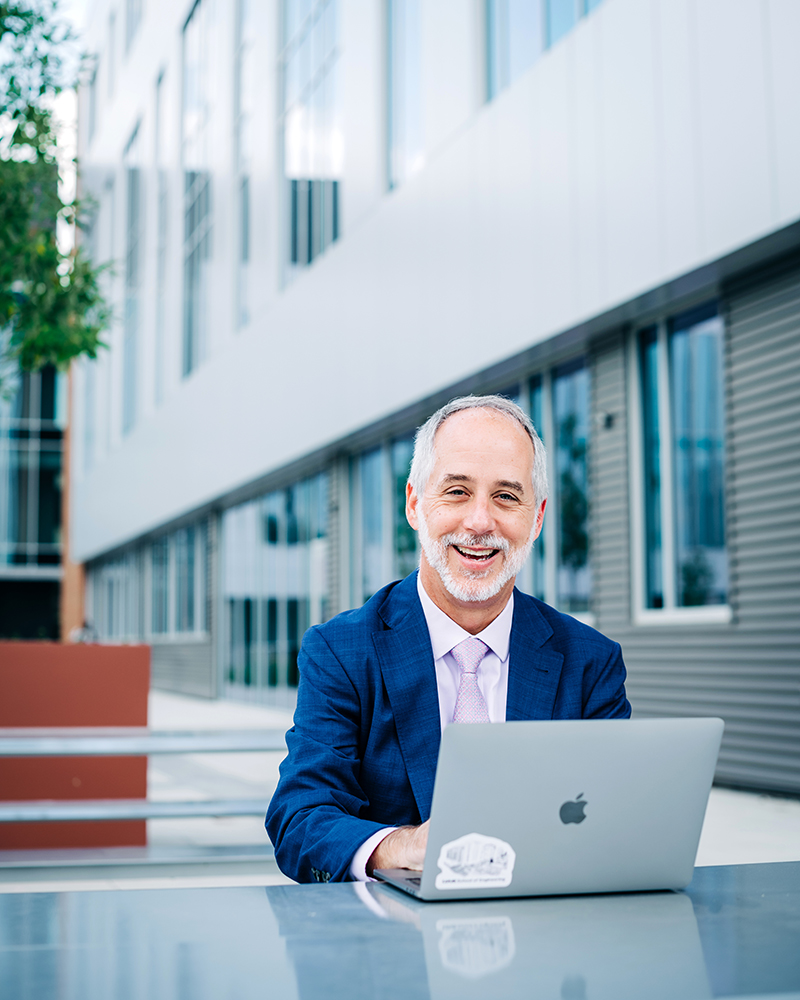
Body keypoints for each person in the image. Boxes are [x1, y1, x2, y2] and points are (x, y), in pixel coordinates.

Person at [266, 395, 630, 883]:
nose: (480, 522)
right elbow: (300, 817)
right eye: (457, 491)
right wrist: (403, 846)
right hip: (392, 941)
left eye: (506, 496)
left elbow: (616, 824)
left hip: (548, 935)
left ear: (537, 518)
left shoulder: (591, 663)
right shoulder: (341, 652)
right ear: (415, 504)